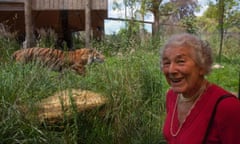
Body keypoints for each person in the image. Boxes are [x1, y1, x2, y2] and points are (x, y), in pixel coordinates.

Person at [160, 33, 240, 144]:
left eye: (181, 61)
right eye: (166, 63)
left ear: (202, 66)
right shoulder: (171, 96)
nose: (171, 70)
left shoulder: (227, 106)